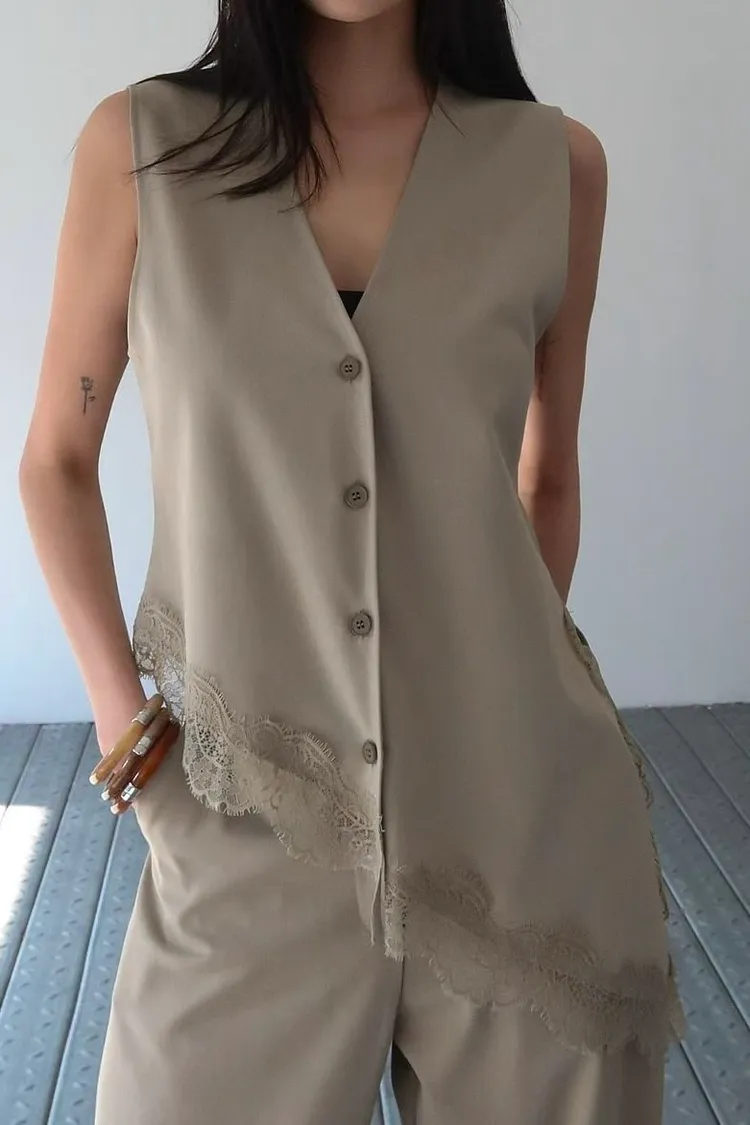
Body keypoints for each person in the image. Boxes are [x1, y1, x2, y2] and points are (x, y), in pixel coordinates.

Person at [18, 1, 686, 1122]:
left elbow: (548, 479)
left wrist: (492, 706)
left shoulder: (557, 168)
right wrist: (128, 736)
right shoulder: (142, 151)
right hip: (245, 817)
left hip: (527, 846)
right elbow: (55, 462)